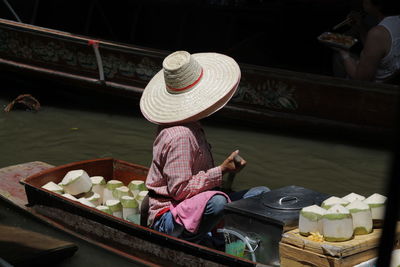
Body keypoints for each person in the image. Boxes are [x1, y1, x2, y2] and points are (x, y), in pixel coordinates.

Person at [139, 50, 269, 246]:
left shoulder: (192, 126)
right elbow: (180, 190)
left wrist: (226, 173)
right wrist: (221, 170)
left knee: (261, 194)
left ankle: (225, 233)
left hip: (194, 204)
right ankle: (197, 241)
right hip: (170, 215)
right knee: (218, 202)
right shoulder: (181, 135)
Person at [332, 0, 400, 82]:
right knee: (339, 57)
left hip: (375, 88)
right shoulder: (395, 21)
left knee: (339, 57)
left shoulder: (378, 33)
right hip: (389, 75)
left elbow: (361, 79)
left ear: (378, 6)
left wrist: (343, 51)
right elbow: (374, 49)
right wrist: (360, 27)